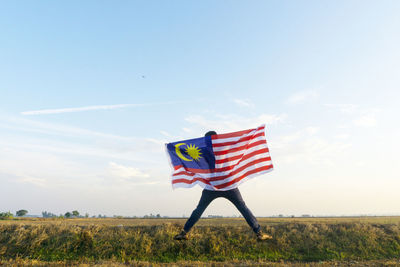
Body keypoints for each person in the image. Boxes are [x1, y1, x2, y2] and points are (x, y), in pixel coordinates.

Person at [174, 130, 272, 241]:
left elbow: (188, 155)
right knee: (243, 208)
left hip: (211, 186)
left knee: (199, 209)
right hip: (228, 184)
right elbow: (238, 146)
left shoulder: (203, 152)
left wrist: (174, 148)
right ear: (217, 138)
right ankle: (259, 233)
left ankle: (184, 232)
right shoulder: (224, 148)